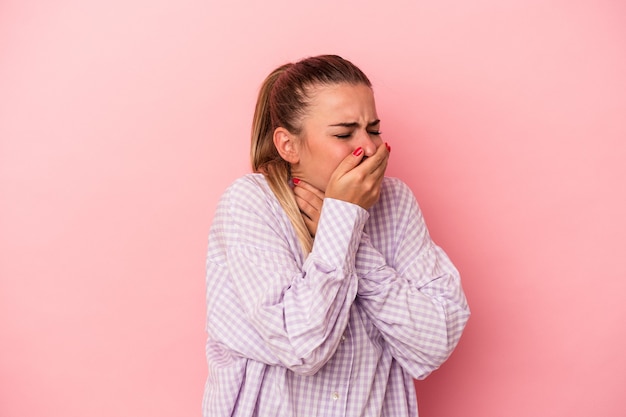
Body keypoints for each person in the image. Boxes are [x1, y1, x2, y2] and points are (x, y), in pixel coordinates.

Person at [202, 54, 470, 417]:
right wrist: (344, 218)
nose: (371, 148)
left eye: (373, 130)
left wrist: (351, 233)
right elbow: (302, 345)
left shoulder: (395, 201)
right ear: (288, 146)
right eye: (345, 133)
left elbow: (434, 342)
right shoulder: (250, 203)